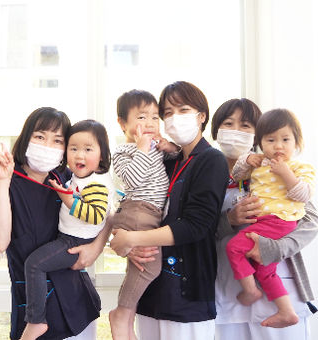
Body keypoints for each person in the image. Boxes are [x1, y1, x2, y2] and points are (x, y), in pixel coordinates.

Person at [109, 81, 229, 339]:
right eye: (168, 113)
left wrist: (133, 239)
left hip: (188, 294)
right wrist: (129, 243)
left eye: (183, 109)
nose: (174, 118)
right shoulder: (167, 160)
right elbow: (139, 203)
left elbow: (196, 226)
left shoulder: (211, 160)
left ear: (201, 116)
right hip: (151, 291)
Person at [0, 108, 111, 340]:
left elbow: (106, 211)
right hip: (34, 311)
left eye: (58, 140)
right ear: (25, 138)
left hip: (77, 302)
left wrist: (96, 247)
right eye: (40, 137)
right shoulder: (2, 183)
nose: (48, 146)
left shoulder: (66, 178)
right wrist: (2, 182)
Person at [211, 98, 318, 339]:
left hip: (277, 283)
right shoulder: (207, 173)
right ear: (216, 130)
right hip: (226, 291)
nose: (237, 132)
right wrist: (228, 220)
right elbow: (196, 227)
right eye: (228, 124)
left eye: (246, 125)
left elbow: (311, 222)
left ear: (258, 134)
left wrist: (275, 248)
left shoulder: (280, 172)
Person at [20, 119, 114, 340]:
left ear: (102, 154)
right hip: (69, 237)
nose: (79, 155)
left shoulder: (97, 183)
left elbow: (96, 215)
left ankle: (35, 320)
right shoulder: (79, 176)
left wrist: (67, 199)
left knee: (34, 264)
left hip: (74, 242)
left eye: (88, 149)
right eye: (73, 149)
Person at [108, 89, 179, 340]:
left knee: (140, 269)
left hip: (151, 214)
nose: (149, 123)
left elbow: (180, 157)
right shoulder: (123, 151)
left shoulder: (155, 148)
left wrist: (168, 146)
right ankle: (122, 314)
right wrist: (142, 149)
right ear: (122, 123)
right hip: (137, 211)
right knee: (149, 268)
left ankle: (126, 322)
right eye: (141, 117)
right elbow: (133, 179)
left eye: (154, 117)